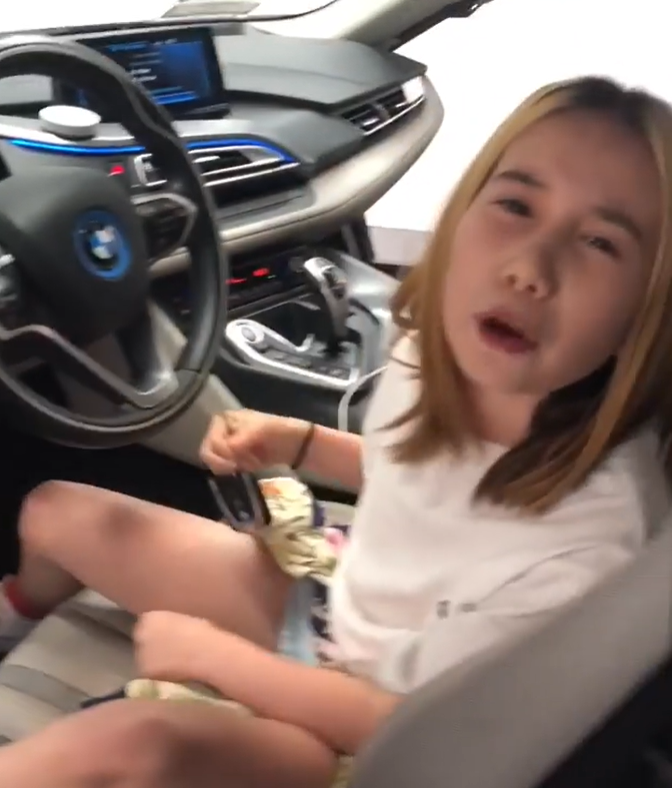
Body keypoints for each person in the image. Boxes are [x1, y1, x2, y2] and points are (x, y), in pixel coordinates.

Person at [2, 74, 672, 788]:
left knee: (134, 743)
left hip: (387, 730)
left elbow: (438, 735)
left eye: (600, 242)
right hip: (333, 608)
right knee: (56, 511)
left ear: (648, 306)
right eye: (516, 205)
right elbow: (411, 471)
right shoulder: (433, 357)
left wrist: (215, 660)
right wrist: (299, 443)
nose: (530, 269)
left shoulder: (593, 546)